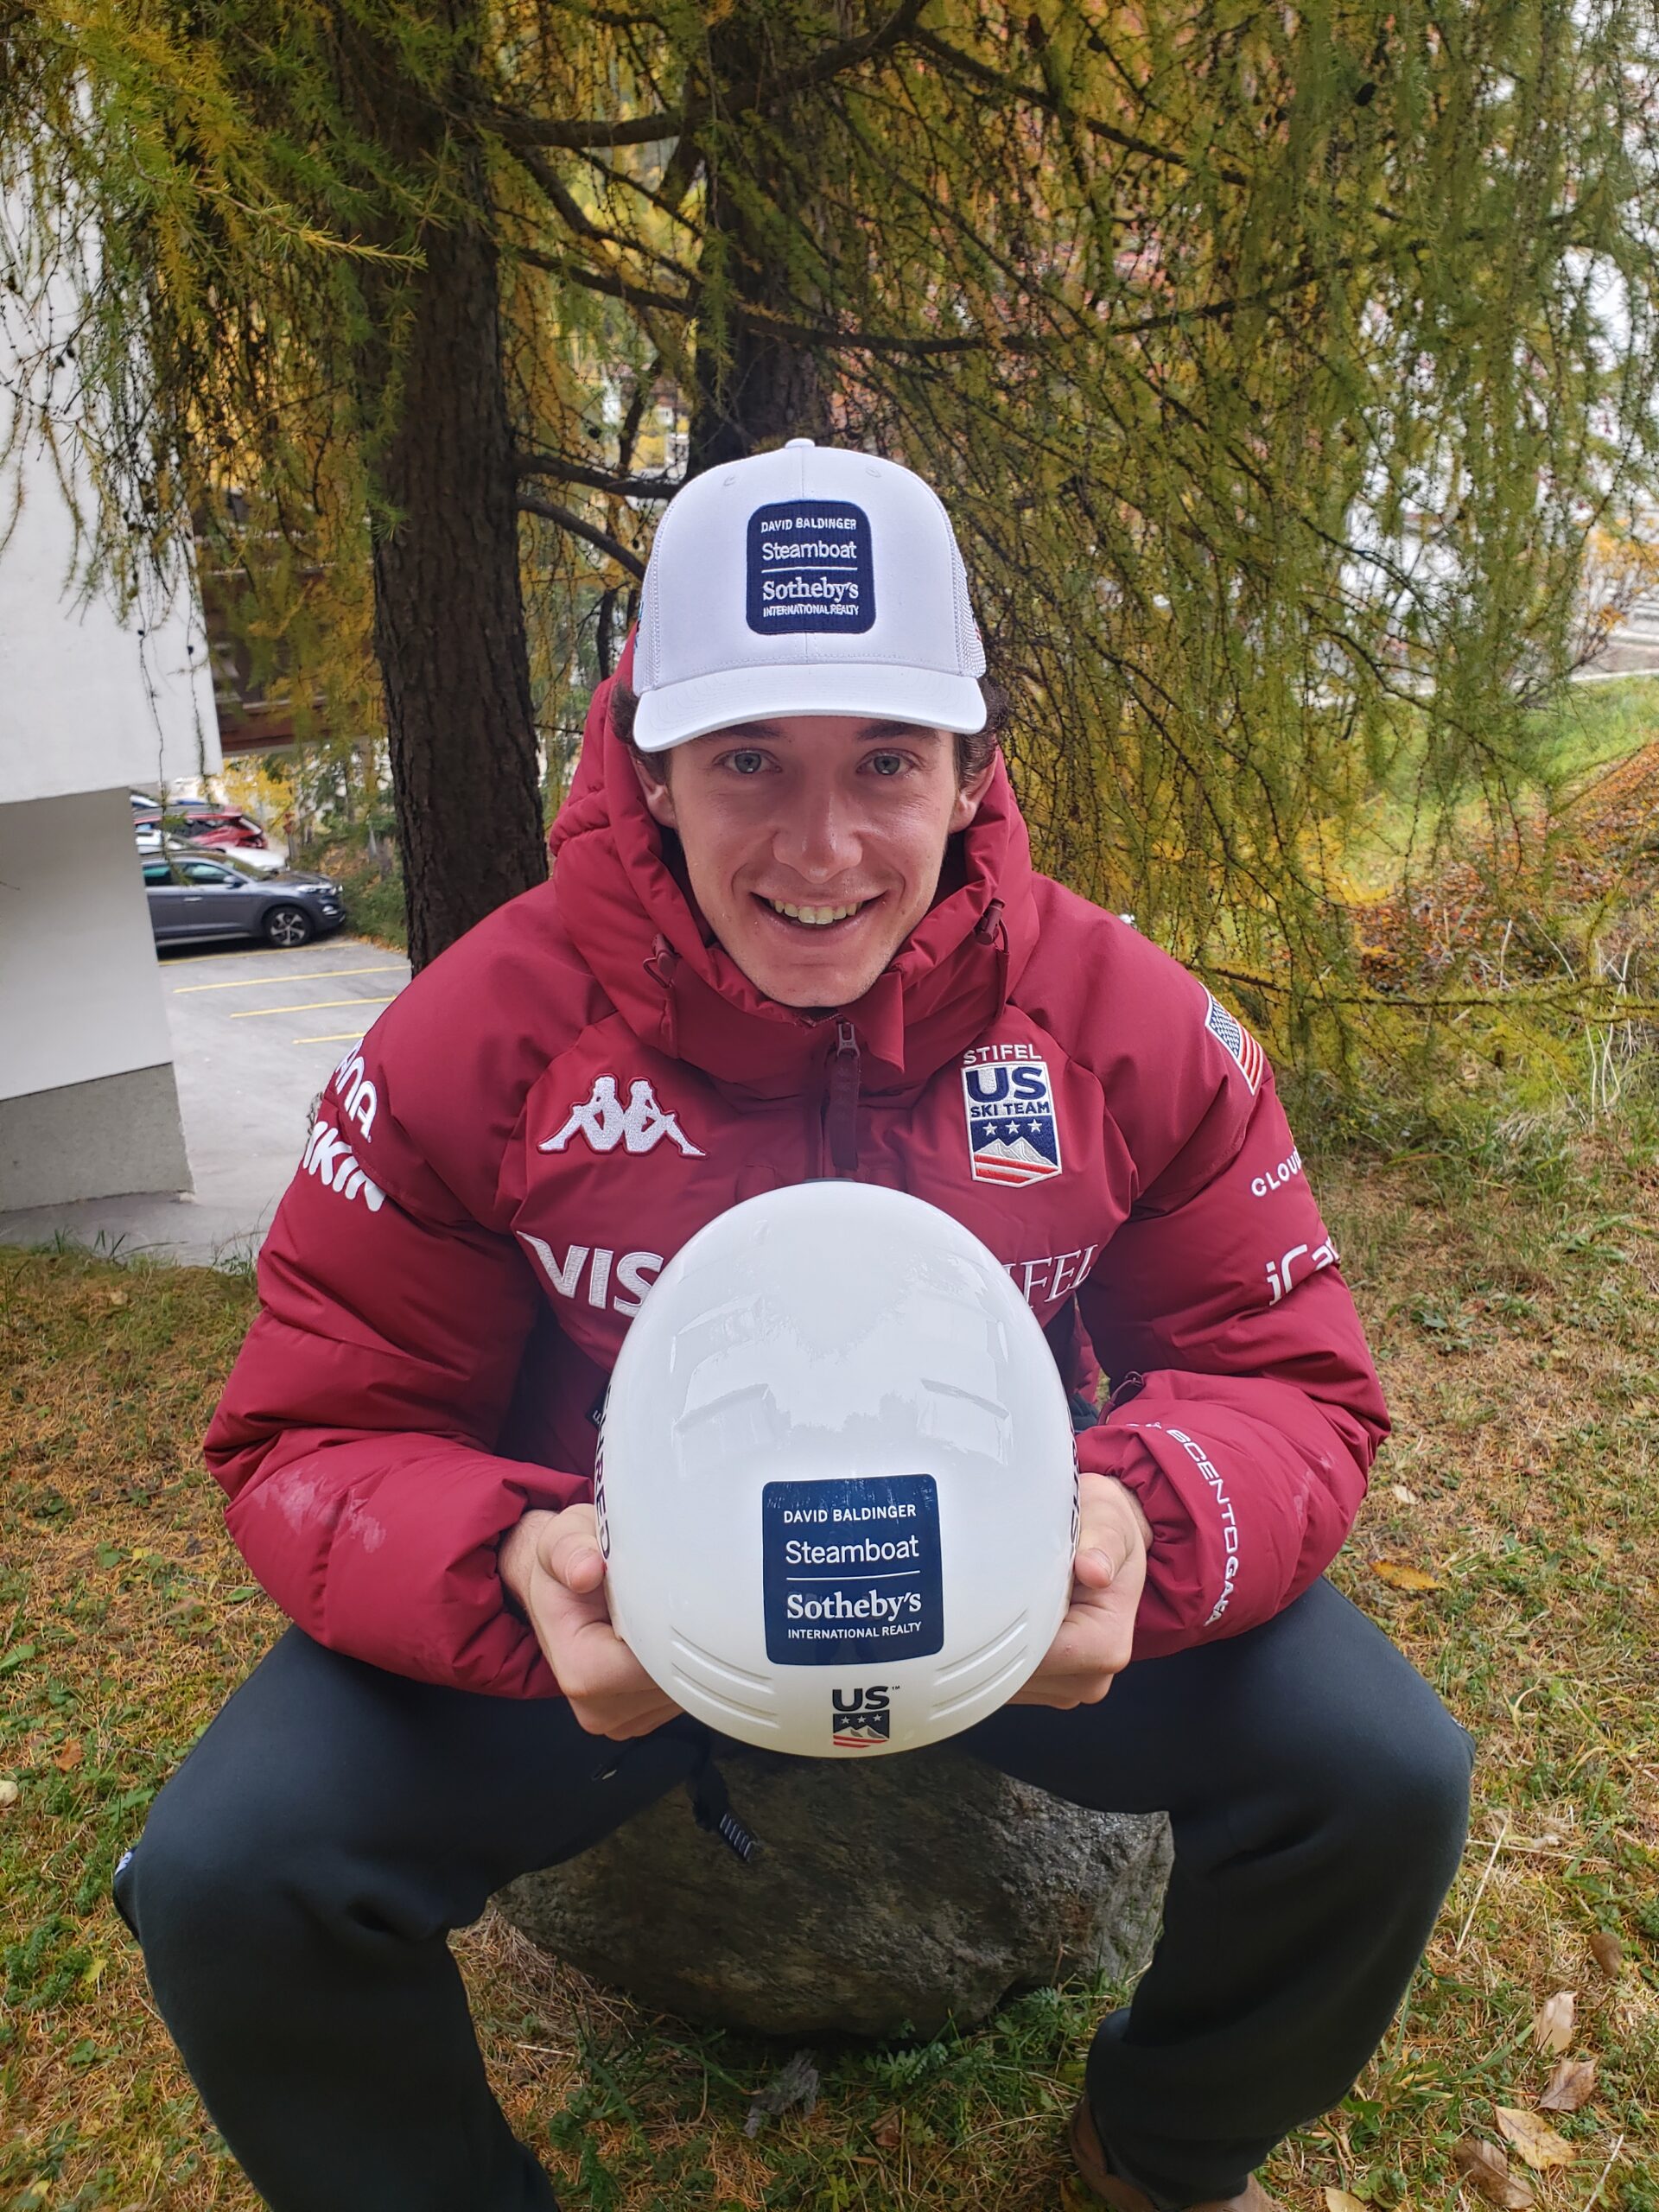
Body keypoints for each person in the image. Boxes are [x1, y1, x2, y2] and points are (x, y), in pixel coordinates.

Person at [111, 440, 1473, 2212]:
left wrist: (1146, 1517)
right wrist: (514, 1568)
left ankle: (1162, 2153)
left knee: (1381, 1771)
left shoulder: (1123, 1021)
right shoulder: (477, 1036)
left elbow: (1289, 1375)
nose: (821, 848)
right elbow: (308, 1430)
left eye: (885, 763)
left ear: (972, 768)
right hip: (611, 1637)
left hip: (999, 1606)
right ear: (651, 762)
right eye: (750, 759)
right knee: (230, 1871)